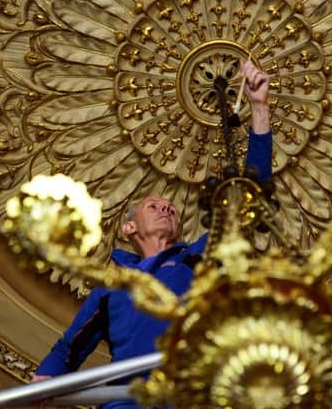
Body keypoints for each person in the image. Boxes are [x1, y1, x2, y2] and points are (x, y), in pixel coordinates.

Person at [31, 60, 272, 408]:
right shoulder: (113, 284)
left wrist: (259, 110)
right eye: (153, 206)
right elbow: (70, 346)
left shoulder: (199, 258)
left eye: (171, 209)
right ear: (130, 228)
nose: (167, 209)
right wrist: (43, 382)